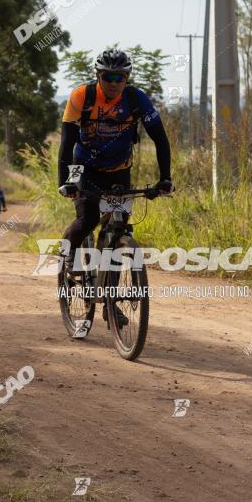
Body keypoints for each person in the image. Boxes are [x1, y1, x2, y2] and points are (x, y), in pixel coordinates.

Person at [58, 49, 173, 323]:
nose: (114, 82)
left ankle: (107, 299)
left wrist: (165, 178)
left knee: (117, 227)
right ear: (98, 76)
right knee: (88, 218)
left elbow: (160, 139)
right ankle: (68, 253)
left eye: (120, 77)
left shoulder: (135, 99)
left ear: (127, 78)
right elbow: (66, 146)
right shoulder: (81, 97)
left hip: (120, 170)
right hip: (84, 168)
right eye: (108, 77)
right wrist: (66, 182)